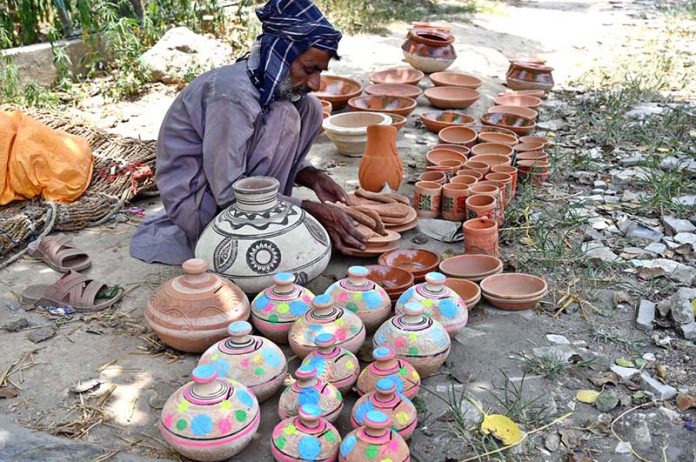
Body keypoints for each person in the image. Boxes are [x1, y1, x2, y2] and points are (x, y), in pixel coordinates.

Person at [130, 0, 367, 265]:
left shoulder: (265, 85)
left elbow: (266, 150)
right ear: (281, 55)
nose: (316, 83)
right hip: (200, 205)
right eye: (309, 69)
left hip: (227, 191)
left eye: (320, 71)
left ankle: (269, 212)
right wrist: (309, 210)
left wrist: (313, 177)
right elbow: (228, 191)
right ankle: (261, 220)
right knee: (285, 115)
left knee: (309, 106)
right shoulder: (232, 96)